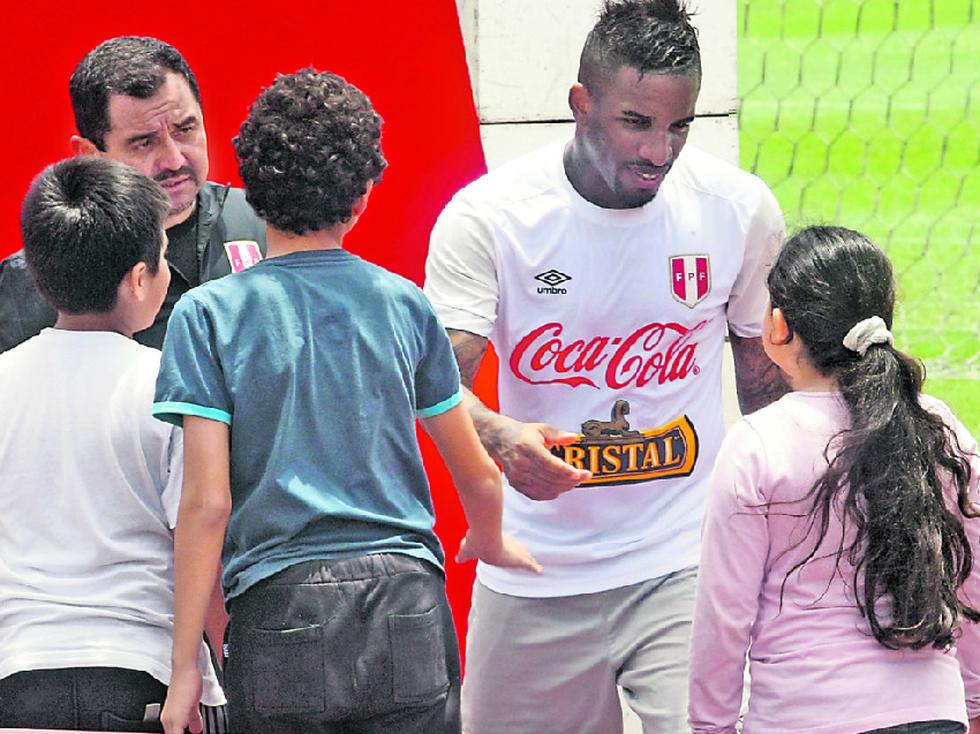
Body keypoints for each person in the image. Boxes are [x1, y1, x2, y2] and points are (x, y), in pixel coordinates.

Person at [422, 0, 787, 730]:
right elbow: (431, 381)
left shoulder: (737, 210)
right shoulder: (492, 217)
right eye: (636, 122)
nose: (660, 150)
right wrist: (497, 435)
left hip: (687, 562)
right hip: (533, 568)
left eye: (679, 126)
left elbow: (766, 390)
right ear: (580, 104)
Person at [153, 67, 540, 734]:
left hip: (278, 611)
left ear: (253, 187)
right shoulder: (404, 304)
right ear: (364, 194)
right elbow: (475, 468)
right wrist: (489, 537)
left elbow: (207, 503)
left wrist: (185, 665)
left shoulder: (206, 315)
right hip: (408, 604)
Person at [688, 225, 980, 734]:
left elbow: (724, 613)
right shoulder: (939, 427)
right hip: (935, 713)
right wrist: (973, 702)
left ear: (778, 326)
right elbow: (971, 579)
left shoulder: (757, 444)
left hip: (803, 717)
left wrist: (710, 726)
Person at [0, 156, 223, 731]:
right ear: (138, 278)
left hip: (16, 674)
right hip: (139, 677)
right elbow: (200, 533)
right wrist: (217, 671)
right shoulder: (172, 388)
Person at [0, 35, 266, 353]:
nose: (175, 160)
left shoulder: (270, 226)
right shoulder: (35, 283)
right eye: (144, 143)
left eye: (185, 129)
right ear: (89, 154)